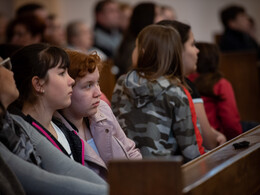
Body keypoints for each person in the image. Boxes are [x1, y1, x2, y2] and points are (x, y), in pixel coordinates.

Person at [0, 56, 107, 194]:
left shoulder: (13, 120)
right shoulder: (21, 122)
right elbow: (38, 181)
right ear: (38, 84)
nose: (71, 81)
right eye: (4, 65)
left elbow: (67, 167)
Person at [112, 25, 205, 163]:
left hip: (126, 168)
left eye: (136, 47)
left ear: (142, 52)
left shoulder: (121, 83)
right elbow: (191, 151)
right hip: (164, 173)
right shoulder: (176, 92)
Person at [53, 50, 142, 178]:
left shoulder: (102, 109)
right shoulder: (58, 132)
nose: (98, 93)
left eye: (97, 83)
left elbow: (130, 151)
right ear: (67, 88)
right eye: (88, 86)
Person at [157, 20, 226, 149]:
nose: (197, 50)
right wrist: (218, 136)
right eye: (192, 44)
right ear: (177, 50)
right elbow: (209, 143)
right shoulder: (183, 86)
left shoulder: (132, 82)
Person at [193, 42, 244, 140]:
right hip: (218, 137)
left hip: (198, 138)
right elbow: (230, 122)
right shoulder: (220, 83)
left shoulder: (186, 82)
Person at [114, 2, 163, 78]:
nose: (161, 18)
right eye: (157, 14)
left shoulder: (141, 41)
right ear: (146, 18)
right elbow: (133, 78)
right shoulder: (134, 45)